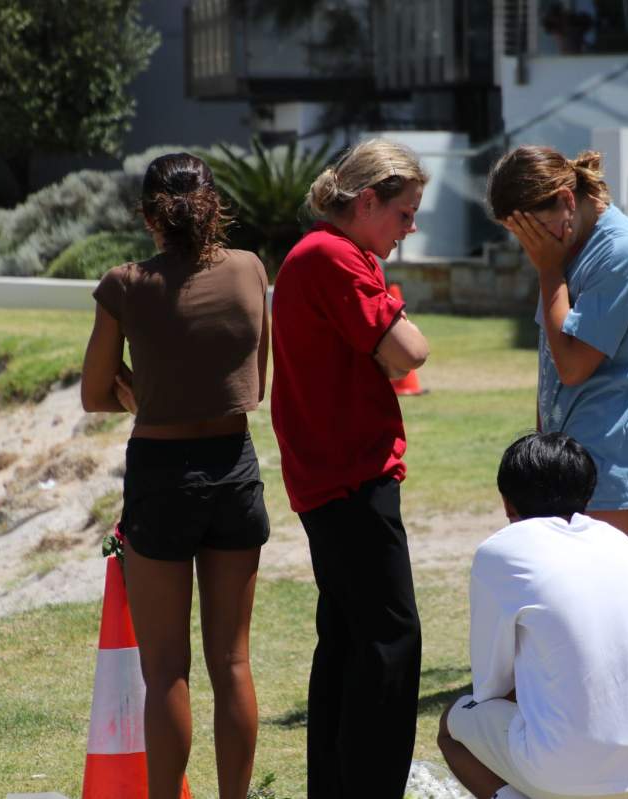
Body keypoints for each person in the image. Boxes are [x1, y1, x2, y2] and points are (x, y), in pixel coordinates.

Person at [80, 152, 270, 799]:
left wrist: (146, 396)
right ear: (215, 205)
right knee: (234, 662)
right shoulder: (249, 271)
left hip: (161, 476)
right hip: (234, 468)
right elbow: (253, 386)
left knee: (165, 670)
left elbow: (94, 392)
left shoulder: (125, 284)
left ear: (146, 216)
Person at [270, 138, 430, 799]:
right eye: (404, 213)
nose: (409, 228)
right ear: (368, 201)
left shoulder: (320, 254)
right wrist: (390, 302)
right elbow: (410, 351)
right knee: (391, 641)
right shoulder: (336, 257)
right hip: (351, 477)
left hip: (328, 476)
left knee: (345, 638)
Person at [438, 432, 628, 799]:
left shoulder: (500, 551)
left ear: (507, 503)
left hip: (564, 774)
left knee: (451, 725)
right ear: (587, 496)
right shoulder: (622, 543)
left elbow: (490, 686)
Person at [488, 146, 628, 564]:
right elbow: (551, 358)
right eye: (520, 235)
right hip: (567, 458)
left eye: (536, 229)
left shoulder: (619, 252)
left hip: (613, 463)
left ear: (567, 199)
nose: (531, 245)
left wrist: (548, 272)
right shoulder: (563, 247)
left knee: (612, 599)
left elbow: (573, 366)